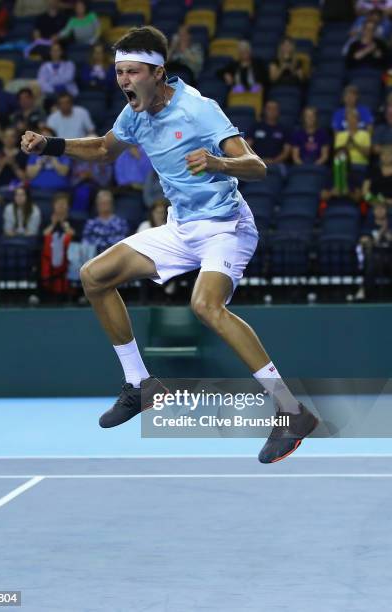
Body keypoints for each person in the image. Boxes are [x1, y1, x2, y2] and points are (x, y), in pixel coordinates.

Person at [21, 25, 319, 464]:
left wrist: (218, 162)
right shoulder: (135, 114)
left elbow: (257, 167)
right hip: (181, 229)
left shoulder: (199, 109)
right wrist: (52, 145)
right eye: (119, 71)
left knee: (206, 306)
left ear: (158, 73)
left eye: (132, 71)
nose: (123, 80)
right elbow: (105, 150)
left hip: (225, 225)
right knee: (94, 276)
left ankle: (291, 410)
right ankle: (140, 383)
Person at [41, 191, 75, 294]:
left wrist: (65, 226)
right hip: (49, 257)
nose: (60, 206)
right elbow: (43, 235)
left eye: (63, 204)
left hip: (68, 256)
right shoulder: (47, 220)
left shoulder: (73, 219)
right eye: (58, 204)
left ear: (68, 206)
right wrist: (53, 224)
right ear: (53, 206)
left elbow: (74, 236)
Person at [246, 100, 291, 167]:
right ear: (264, 110)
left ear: (278, 111)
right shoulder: (255, 127)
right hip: (256, 162)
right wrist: (259, 160)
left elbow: (286, 152)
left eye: (274, 109)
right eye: (269, 109)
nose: (272, 111)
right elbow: (247, 147)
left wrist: (274, 161)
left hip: (278, 163)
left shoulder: (284, 129)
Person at [26, 126, 71, 191]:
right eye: (42, 137)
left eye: (47, 137)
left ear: (54, 139)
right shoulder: (34, 154)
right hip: (37, 190)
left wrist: (52, 156)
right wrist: (41, 162)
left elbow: (64, 172)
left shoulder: (63, 153)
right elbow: (30, 175)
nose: (44, 140)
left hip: (59, 191)